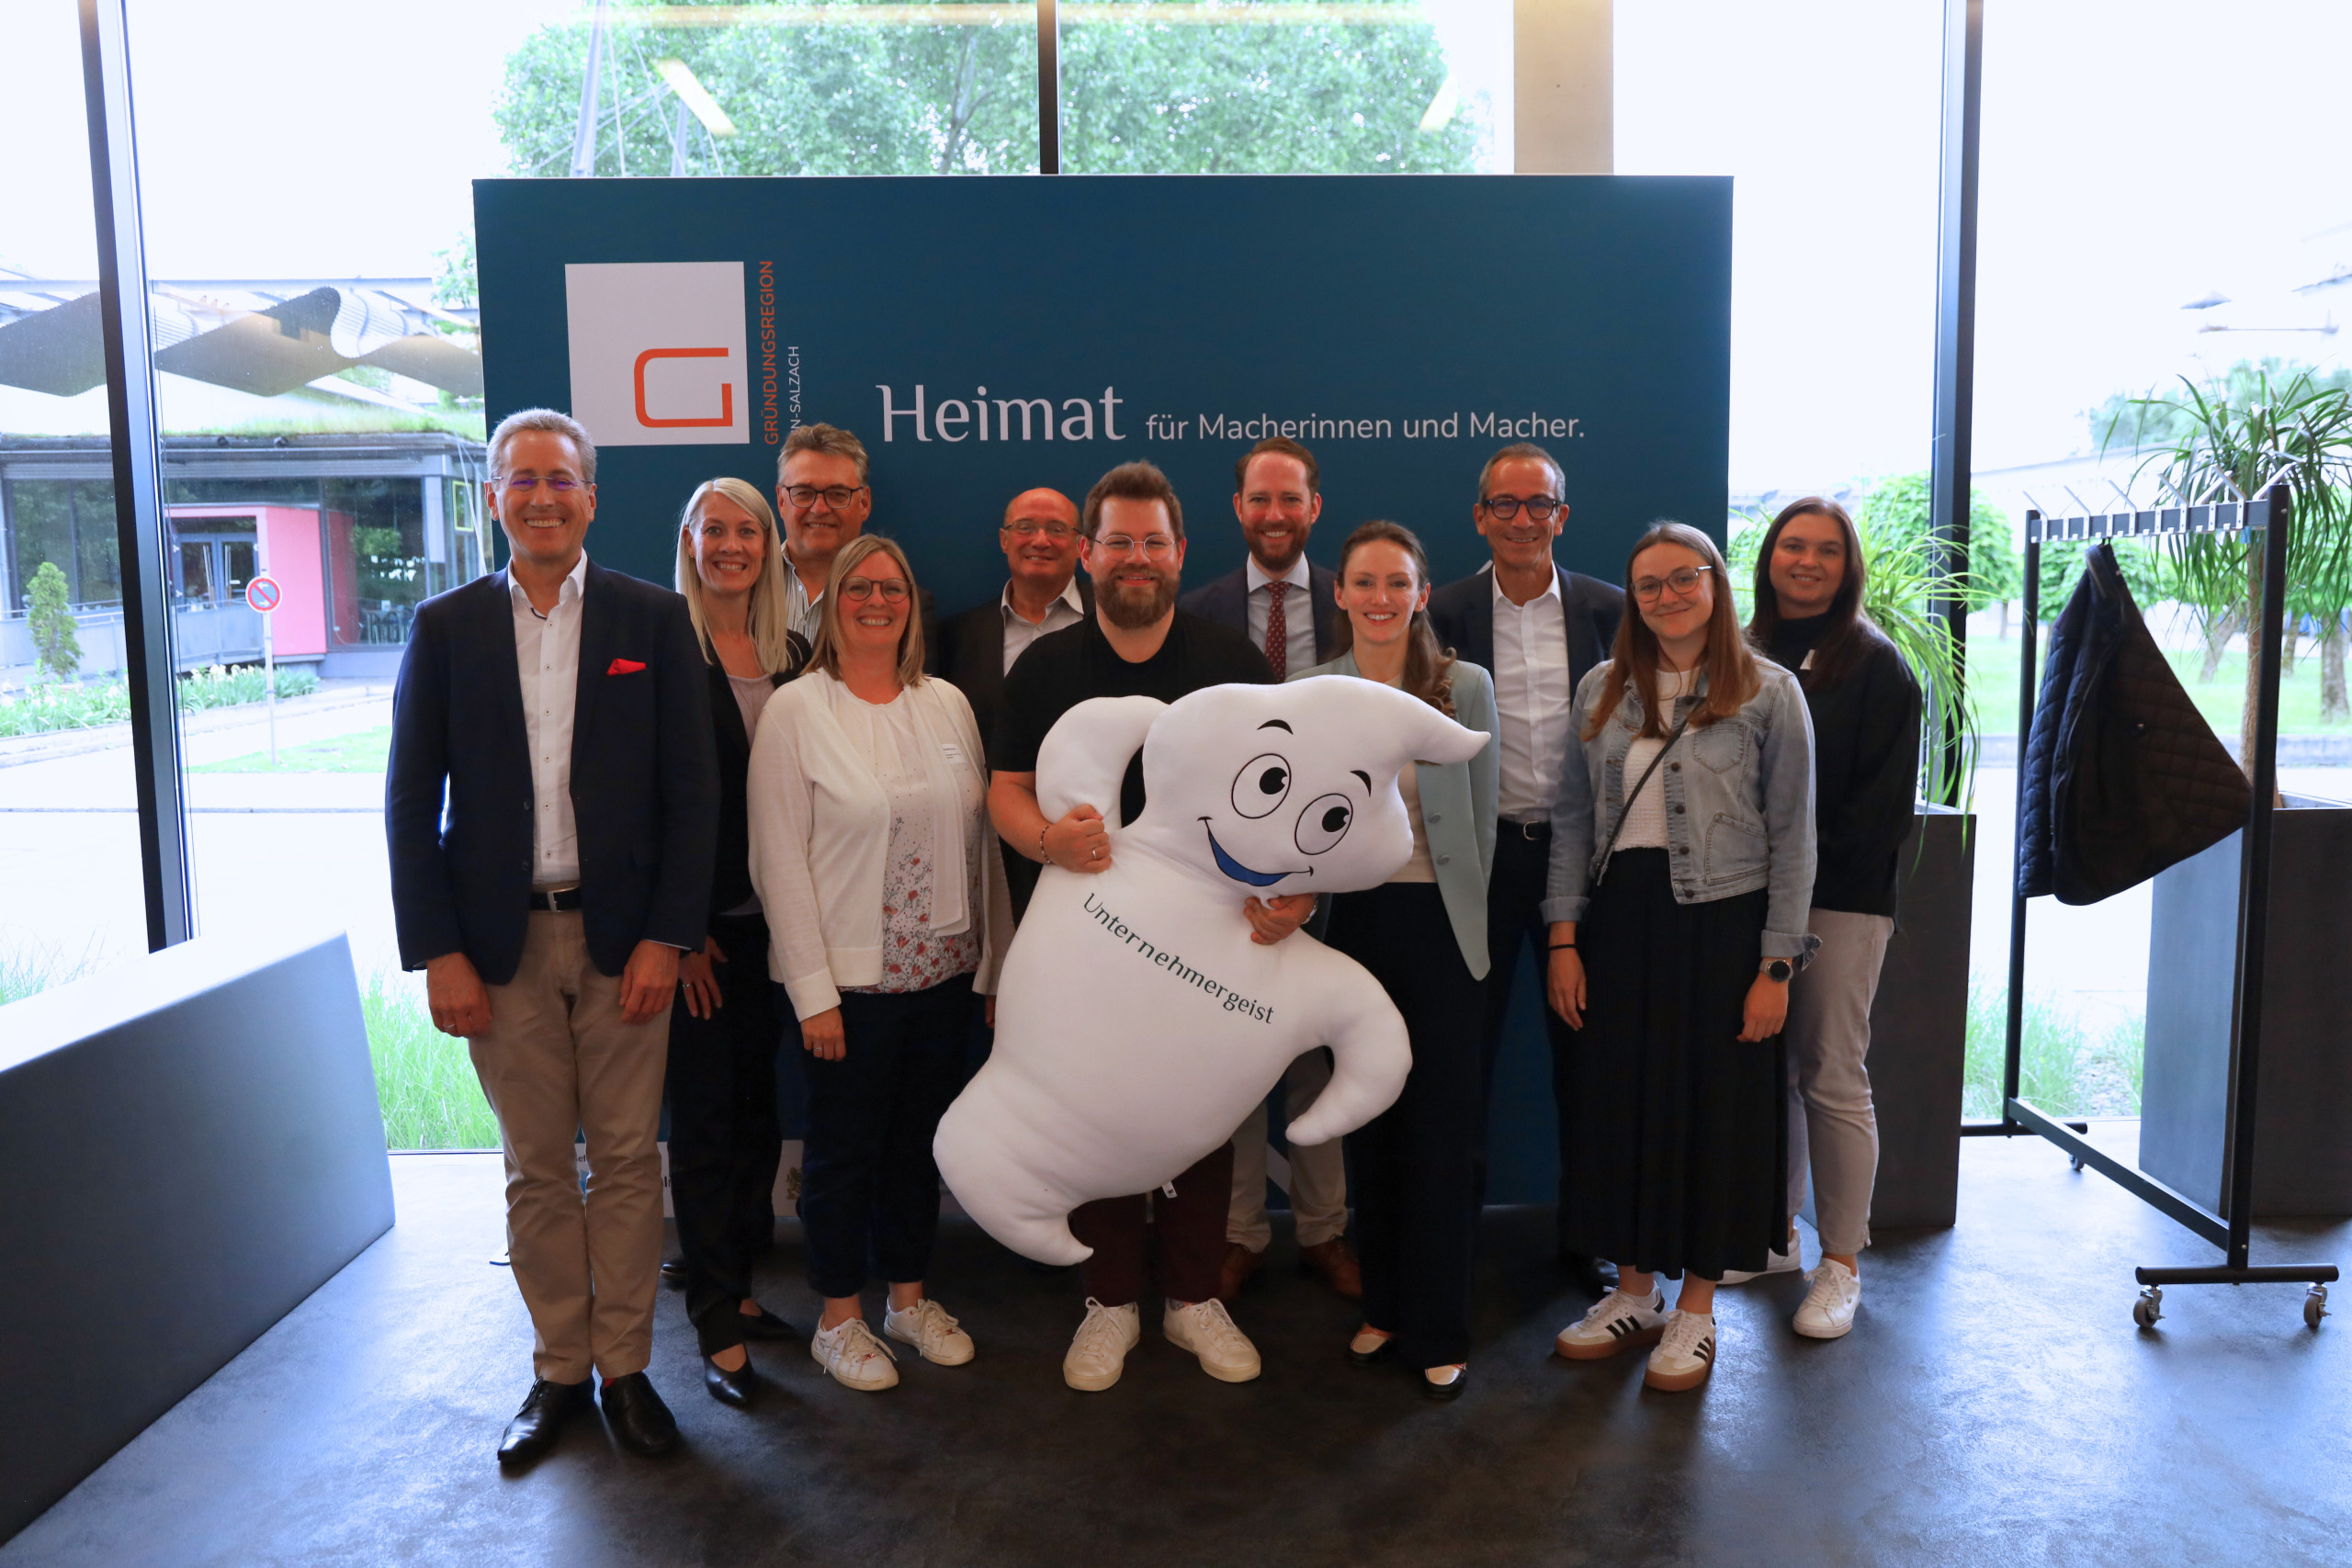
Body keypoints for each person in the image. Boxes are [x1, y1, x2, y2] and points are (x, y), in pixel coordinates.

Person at [386, 408, 718, 1465]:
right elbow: (408, 802)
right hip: (499, 946)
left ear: (590, 496)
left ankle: (627, 1372)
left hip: (625, 942)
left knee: (625, 1162)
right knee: (535, 1170)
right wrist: (437, 948)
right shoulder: (444, 629)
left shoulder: (652, 618)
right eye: (520, 478)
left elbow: (693, 793)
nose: (541, 496)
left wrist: (672, 932)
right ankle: (557, 1373)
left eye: (560, 479)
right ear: (493, 498)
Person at [988, 459, 1313, 1393]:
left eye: (1153, 542)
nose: (1137, 558)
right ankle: (1108, 1303)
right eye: (1119, 542)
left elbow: (1288, 797)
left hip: (1208, 942)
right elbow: (1003, 789)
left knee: (1202, 1121)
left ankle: (1192, 1300)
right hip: (1085, 952)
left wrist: (1294, 890)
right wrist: (1046, 838)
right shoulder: (1047, 665)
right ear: (1088, 555)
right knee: (1097, 1121)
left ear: (1180, 553)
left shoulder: (1231, 666)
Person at [1545, 521, 1815, 1393]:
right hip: (1621, 924)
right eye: (1648, 584)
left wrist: (1775, 968)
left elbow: (1795, 839)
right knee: (1619, 1107)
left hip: (1725, 925)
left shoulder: (1768, 692)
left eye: (1682, 578)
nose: (1665, 596)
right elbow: (1574, 824)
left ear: (1715, 582)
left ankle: (1695, 1310)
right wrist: (1563, 938)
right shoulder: (1601, 688)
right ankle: (1634, 1292)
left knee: (1716, 1115)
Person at [747, 535, 1011, 1393]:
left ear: (911, 603)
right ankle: (838, 1318)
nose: (873, 599)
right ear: (832, 604)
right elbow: (777, 859)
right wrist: (813, 993)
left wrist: (993, 969)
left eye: (891, 586)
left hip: (941, 979)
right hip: (849, 988)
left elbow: (984, 850)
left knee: (915, 1150)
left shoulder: (948, 706)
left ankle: (907, 1301)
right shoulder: (798, 709)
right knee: (842, 1155)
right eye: (857, 586)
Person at [1297, 521, 1498, 1400]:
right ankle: (1381, 1304)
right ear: (1339, 594)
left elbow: (1483, 823)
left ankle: (1439, 1323)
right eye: (1363, 581)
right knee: (1368, 1120)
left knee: (1442, 1133)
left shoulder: (1465, 687)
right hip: (1348, 927)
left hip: (1442, 926)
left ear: (1422, 593)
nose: (1380, 597)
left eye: (1397, 582)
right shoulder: (1308, 691)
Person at [1427, 442, 1623, 1297]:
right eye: (1503, 505)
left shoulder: (1614, 613)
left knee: (1591, 1060)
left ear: (1562, 516)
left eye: (1536, 504)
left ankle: (1590, 1235)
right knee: (1460, 1057)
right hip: (1480, 856)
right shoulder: (1445, 613)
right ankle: (1452, 1240)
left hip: (1588, 861)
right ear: (1479, 517)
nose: (1520, 519)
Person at [1723, 498, 1921, 1340]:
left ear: (1849, 567)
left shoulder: (1878, 668)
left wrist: (1789, 891)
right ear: (1769, 556)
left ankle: (1841, 1261)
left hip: (1839, 901)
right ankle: (1778, 1239)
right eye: (1793, 545)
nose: (1806, 561)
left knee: (1830, 1071)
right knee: (1776, 1072)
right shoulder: (1744, 653)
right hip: (1751, 897)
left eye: (1826, 550)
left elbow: (1875, 818)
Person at [1176, 436, 1354, 1303]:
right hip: (1230, 879)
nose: (1275, 515)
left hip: (1341, 874)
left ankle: (1325, 1233)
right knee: (1237, 1056)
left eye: (1291, 499)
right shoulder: (1198, 610)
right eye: (1260, 499)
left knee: (1323, 1052)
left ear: (1314, 507)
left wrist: (1314, 879)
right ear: (1238, 508)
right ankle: (1239, 1234)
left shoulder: (1358, 602)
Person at [663, 477, 809, 1411]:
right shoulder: (657, 650)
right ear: (688, 542)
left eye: (747, 530)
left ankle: (744, 1286)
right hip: (701, 938)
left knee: (760, 1118)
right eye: (713, 530)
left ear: (769, 547)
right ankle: (715, 1327)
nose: (730, 545)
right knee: (709, 1129)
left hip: (783, 933)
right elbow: (640, 806)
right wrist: (676, 934)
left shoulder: (794, 657)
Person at [935, 487, 1093, 919]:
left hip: (1096, 845)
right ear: (1004, 540)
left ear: (1081, 545)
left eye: (1056, 529)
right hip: (987, 852)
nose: (1039, 540)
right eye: (1025, 528)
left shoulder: (1116, 624)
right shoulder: (956, 638)